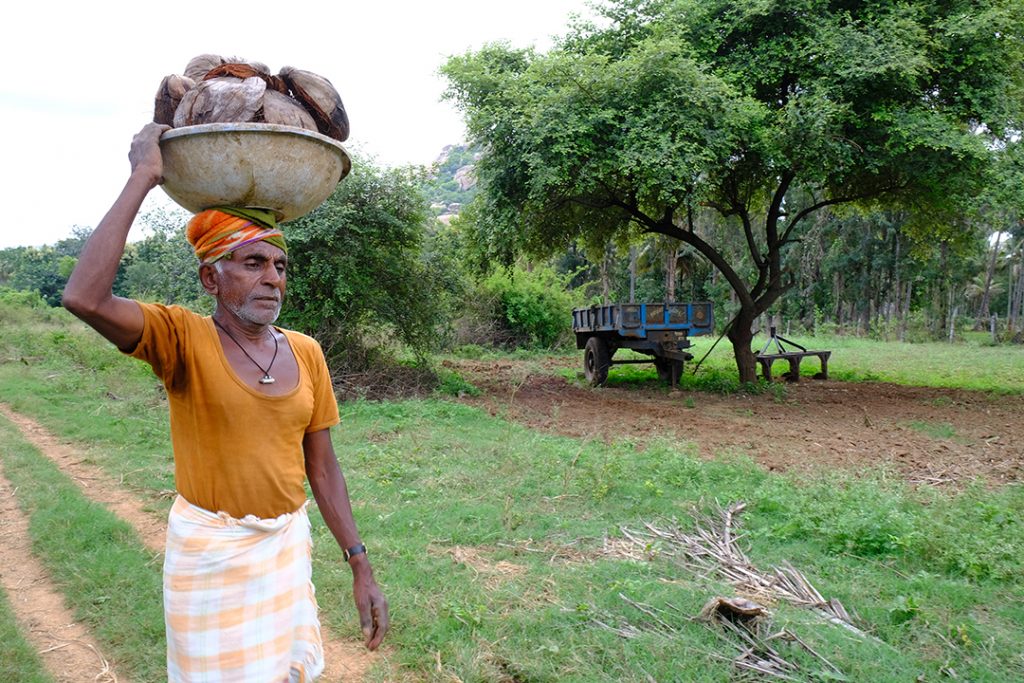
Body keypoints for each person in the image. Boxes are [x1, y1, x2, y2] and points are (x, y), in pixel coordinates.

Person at [62, 122, 388, 681]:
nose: (273, 281)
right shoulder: (181, 338)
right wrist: (143, 176)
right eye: (253, 263)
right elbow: (84, 297)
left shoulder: (306, 352)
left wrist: (360, 563)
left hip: (284, 550)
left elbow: (324, 467)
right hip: (210, 558)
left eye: (279, 266)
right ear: (210, 278)